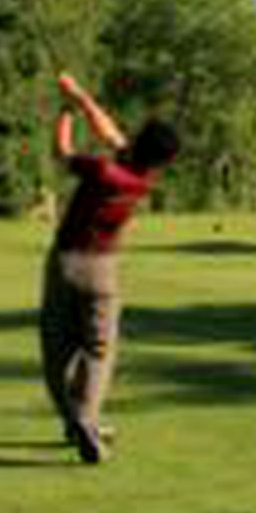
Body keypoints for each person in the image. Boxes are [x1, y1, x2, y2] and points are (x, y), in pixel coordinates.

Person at [40, 73, 178, 464]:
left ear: (138, 143)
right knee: (99, 351)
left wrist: (66, 109)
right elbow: (109, 131)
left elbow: (60, 151)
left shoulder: (103, 171)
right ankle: (86, 419)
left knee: (56, 354)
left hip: (66, 264)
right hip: (103, 272)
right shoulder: (142, 176)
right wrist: (81, 95)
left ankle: (75, 419)